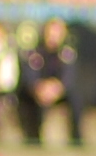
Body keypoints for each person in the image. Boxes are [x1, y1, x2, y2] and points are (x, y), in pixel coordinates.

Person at [15, 17, 75, 146]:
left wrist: (57, 89)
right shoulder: (35, 52)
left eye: (57, 32)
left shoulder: (66, 53)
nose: (53, 36)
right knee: (28, 103)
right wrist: (39, 88)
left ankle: (77, 139)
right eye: (51, 32)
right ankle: (34, 141)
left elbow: (68, 77)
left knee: (77, 99)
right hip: (38, 92)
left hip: (58, 93)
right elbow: (30, 76)